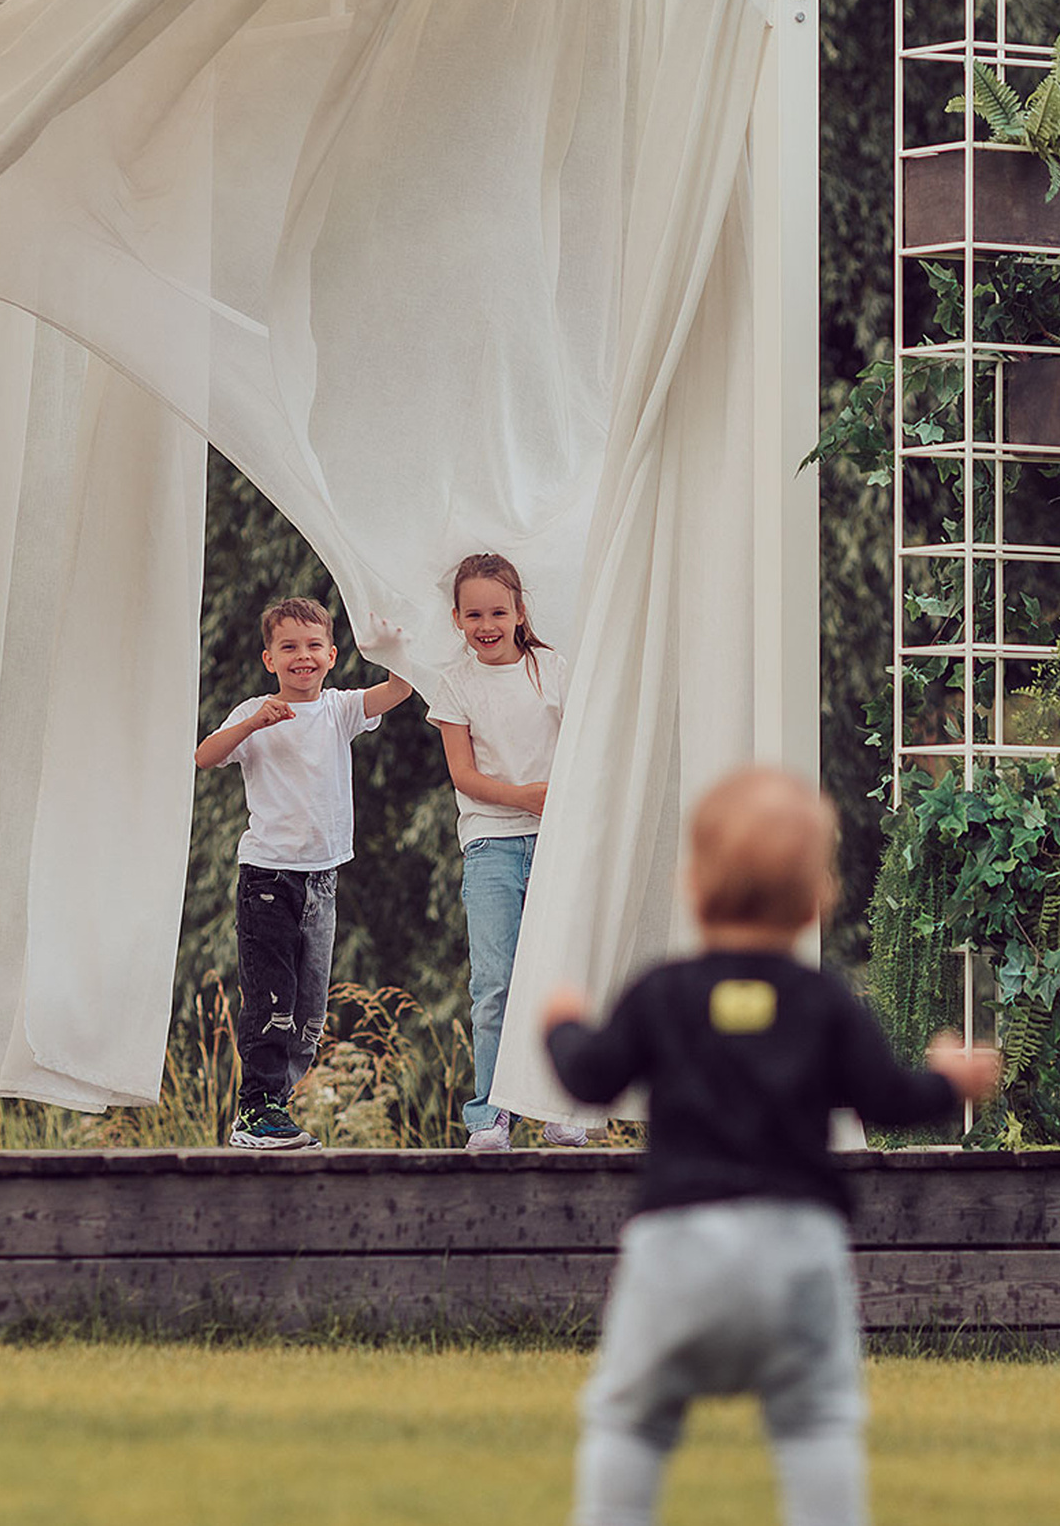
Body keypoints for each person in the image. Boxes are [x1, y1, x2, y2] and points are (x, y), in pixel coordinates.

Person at [540, 765, 1003, 1526]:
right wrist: (949, 1080)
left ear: (692, 885)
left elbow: (590, 1078)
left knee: (631, 1420)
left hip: (676, 1245)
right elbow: (891, 1099)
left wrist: (561, 1022)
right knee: (817, 1422)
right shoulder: (825, 1003)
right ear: (818, 895)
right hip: (799, 1244)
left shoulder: (663, 992)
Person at [196, 598, 412, 1149]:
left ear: (333, 655)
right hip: (269, 879)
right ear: (269, 658)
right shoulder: (254, 711)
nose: (302, 657)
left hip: (323, 880)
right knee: (272, 1001)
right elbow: (204, 756)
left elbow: (399, 690)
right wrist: (252, 723)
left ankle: (274, 1109)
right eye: (288, 647)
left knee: (309, 1013)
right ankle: (256, 1110)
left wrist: (392, 649)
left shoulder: (339, 709)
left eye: (313, 646)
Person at [428, 552, 587, 1151]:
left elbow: (581, 746)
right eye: (474, 614)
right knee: (494, 981)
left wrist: (554, 803)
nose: (486, 623)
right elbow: (464, 776)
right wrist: (523, 797)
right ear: (457, 620)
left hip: (555, 841)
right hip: (492, 843)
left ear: (521, 612)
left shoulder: (552, 669)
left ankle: (560, 1104)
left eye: (498, 610)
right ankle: (491, 1114)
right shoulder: (456, 684)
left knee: (557, 976)